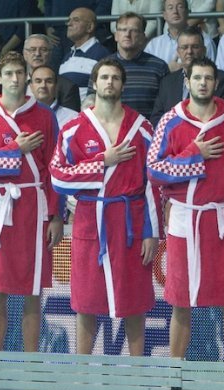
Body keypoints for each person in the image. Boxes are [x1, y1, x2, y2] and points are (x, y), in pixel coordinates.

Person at [51, 57, 159, 356]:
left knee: (135, 301)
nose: (109, 82)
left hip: (131, 221)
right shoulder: (74, 128)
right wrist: (101, 161)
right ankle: (83, 373)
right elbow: (59, 176)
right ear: (95, 83)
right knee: (87, 301)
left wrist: (152, 232)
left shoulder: (142, 127)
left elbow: (152, 183)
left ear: (122, 84)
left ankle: (139, 374)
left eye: (115, 77)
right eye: (104, 77)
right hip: (91, 219)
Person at [146, 57, 224, 361]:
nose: (203, 82)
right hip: (184, 217)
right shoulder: (170, 120)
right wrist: (195, 154)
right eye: (197, 78)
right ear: (187, 82)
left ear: (215, 83)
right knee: (181, 300)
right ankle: (174, 371)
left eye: (208, 78)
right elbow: (154, 170)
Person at [0, 51, 63, 353]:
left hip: (35, 206)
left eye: (20, 73)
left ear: (27, 76)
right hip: (0, 205)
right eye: (9, 73)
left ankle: (31, 364)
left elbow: (54, 168)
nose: (15, 79)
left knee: (34, 291)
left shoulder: (45, 115)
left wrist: (56, 215)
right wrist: (13, 152)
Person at [150, 25, 224, 126]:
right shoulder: (167, 82)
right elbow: (157, 119)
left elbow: (222, 117)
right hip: (174, 139)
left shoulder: (221, 79)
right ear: (178, 52)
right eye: (184, 47)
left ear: (204, 50)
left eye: (195, 47)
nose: (189, 51)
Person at [109, 12, 170, 118]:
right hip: (110, 131)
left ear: (143, 37)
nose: (127, 34)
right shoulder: (103, 66)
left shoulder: (159, 67)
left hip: (149, 131)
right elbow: (92, 100)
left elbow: (167, 105)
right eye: (123, 30)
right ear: (116, 36)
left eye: (134, 31)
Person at [145, 0, 216, 71]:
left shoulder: (205, 41)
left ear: (187, 12)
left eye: (180, 7)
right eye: (170, 8)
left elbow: (212, 73)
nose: (175, 12)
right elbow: (148, 74)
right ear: (164, 15)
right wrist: (167, 70)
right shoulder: (154, 45)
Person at [59, 8, 110, 100]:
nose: (69, 24)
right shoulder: (67, 55)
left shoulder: (101, 55)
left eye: (76, 20)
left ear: (90, 27)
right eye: (69, 20)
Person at [23, 34, 81, 112]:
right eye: (32, 49)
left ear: (50, 54)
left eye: (43, 49)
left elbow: (71, 119)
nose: (37, 54)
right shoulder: (17, 83)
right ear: (24, 53)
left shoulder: (67, 87)